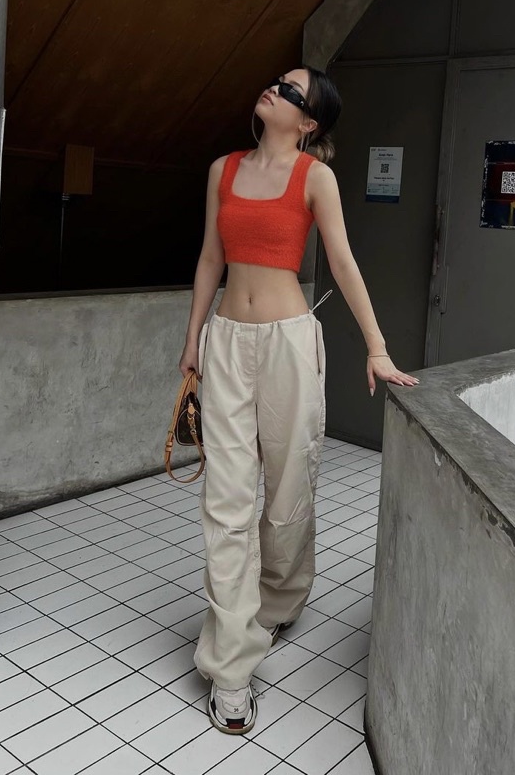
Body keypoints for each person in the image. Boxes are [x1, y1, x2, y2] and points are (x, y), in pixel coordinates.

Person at [178, 66, 419, 735]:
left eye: (291, 92)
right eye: (277, 82)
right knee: (226, 504)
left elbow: (342, 261)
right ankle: (231, 668)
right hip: (228, 342)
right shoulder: (223, 169)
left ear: (308, 122)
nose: (274, 91)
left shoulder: (316, 177)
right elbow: (209, 259)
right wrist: (193, 339)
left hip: (288, 343)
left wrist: (376, 346)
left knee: (288, 493)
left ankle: (279, 600)